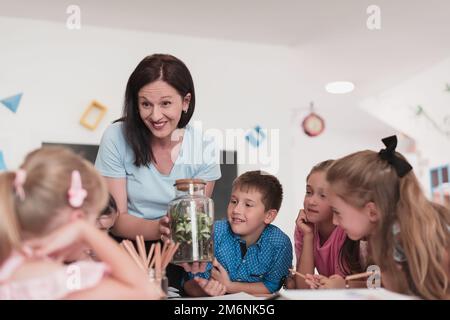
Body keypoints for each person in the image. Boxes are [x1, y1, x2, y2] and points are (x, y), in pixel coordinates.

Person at [95, 54, 221, 290]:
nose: (155, 116)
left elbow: (197, 219)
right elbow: (116, 220)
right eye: (146, 104)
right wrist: (160, 228)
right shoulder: (116, 137)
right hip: (128, 249)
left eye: (165, 103)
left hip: (176, 253)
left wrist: (190, 250)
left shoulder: (203, 146)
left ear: (185, 102)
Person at [0, 147, 163, 299]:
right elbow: (148, 292)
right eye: (93, 224)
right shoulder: (65, 281)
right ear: (77, 220)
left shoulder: (9, 270)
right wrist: (84, 230)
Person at [327, 135, 450, 299]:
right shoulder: (383, 240)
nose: (334, 221)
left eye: (337, 212)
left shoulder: (417, 238)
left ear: (372, 211)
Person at [183, 171, 293, 296]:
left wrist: (230, 286)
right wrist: (205, 289)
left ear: (269, 215)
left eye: (248, 205)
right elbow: (191, 282)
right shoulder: (213, 233)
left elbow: (271, 286)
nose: (236, 210)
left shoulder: (279, 244)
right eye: (234, 201)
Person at [289, 160, 365, 289]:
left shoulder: (351, 229)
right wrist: (308, 236)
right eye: (309, 192)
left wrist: (344, 285)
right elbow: (303, 288)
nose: (311, 201)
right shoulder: (304, 228)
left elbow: (377, 284)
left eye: (323, 195)